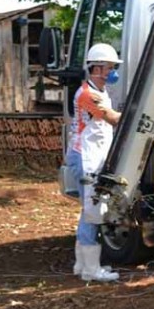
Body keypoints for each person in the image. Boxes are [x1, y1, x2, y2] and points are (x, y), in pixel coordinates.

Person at [66, 43, 123, 282]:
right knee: (92, 213)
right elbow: (112, 119)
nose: (113, 72)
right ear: (97, 68)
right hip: (86, 158)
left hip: (90, 156)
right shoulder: (89, 95)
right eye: (110, 67)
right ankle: (91, 270)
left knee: (88, 211)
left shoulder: (97, 91)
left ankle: (82, 265)